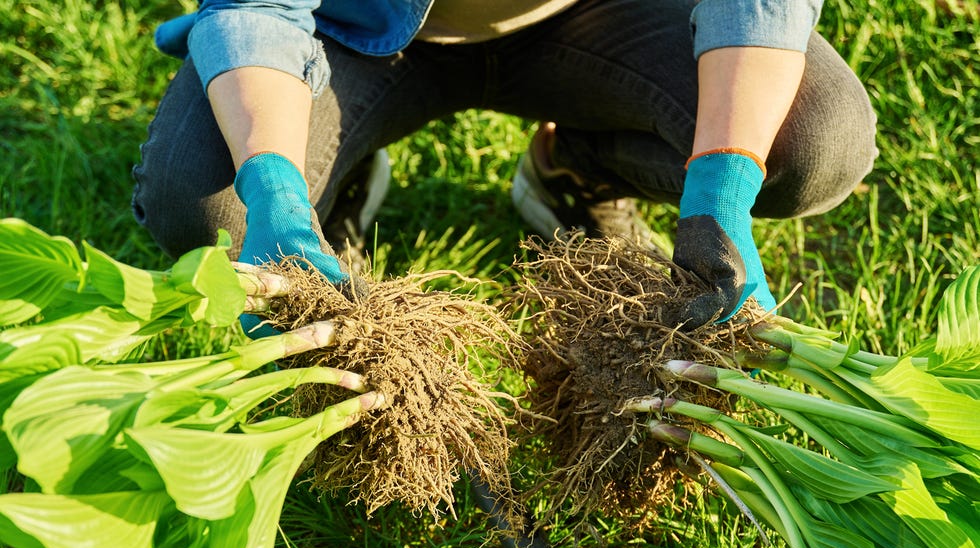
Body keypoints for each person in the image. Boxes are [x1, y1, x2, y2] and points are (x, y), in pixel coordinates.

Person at [132, 1, 877, 330]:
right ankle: (325, 184)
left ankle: (575, 167)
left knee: (815, 142)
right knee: (206, 206)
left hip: (596, 16)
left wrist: (724, 182)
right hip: (354, 34)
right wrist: (273, 183)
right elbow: (258, 8)